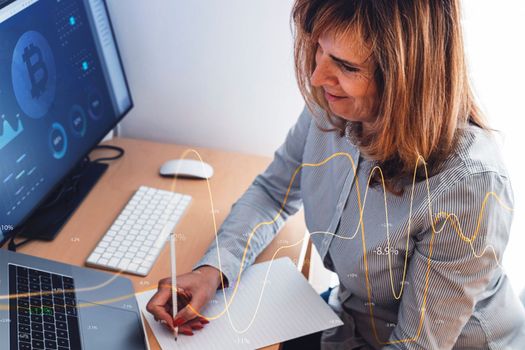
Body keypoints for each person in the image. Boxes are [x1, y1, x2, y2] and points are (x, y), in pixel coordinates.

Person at [147, 0, 525, 348]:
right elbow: (271, 194)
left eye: (346, 66)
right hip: (352, 323)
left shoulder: (468, 184)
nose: (316, 76)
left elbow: (415, 344)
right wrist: (214, 269)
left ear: (407, 79)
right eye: (319, 50)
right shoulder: (332, 107)